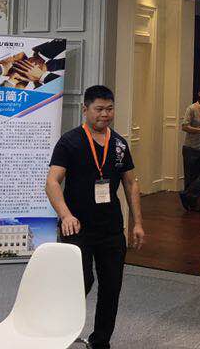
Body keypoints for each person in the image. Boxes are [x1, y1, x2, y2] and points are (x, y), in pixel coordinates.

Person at [46, 85, 145, 349]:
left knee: (111, 287)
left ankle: (100, 342)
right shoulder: (70, 141)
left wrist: (137, 223)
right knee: (82, 281)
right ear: (85, 109)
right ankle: (58, 331)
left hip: (111, 228)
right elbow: (52, 182)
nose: (105, 114)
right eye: (99, 109)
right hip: (76, 227)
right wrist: (65, 215)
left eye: (109, 109)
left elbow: (131, 184)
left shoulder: (119, 145)